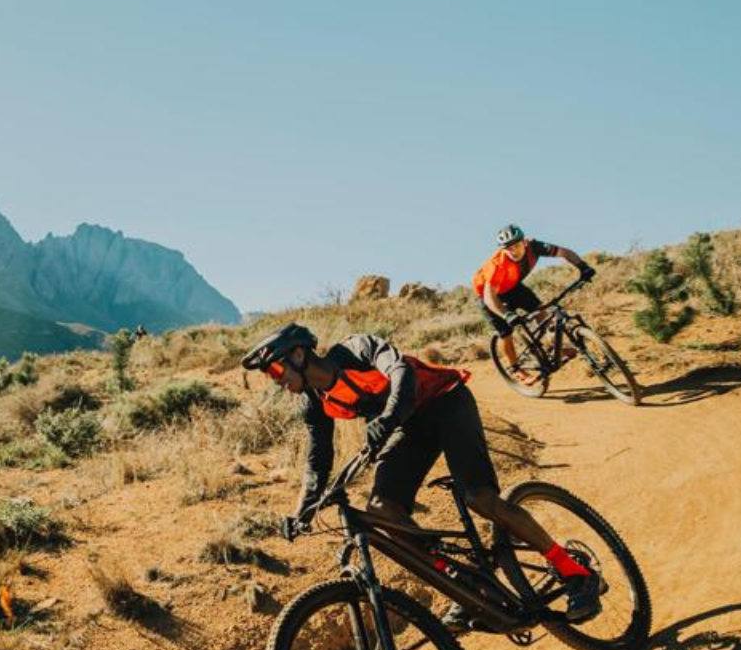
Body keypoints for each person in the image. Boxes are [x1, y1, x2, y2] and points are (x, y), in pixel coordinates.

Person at [241, 324, 599, 622]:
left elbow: (401, 371)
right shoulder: (314, 404)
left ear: (299, 355)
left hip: (446, 402)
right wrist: (302, 509)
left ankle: (574, 572)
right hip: (408, 426)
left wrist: (388, 418)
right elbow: (318, 459)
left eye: (275, 370)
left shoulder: (355, 349)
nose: (277, 381)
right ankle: (466, 584)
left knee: (480, 498)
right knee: (382, 509)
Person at [474, 225, 595, 384]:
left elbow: (564, 252)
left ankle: (554, 348)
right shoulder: (497, 265)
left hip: (513, 287)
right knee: (506, 332)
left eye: (516, 245)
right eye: (508, 248)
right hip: (489, 297)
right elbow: (490, 297)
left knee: (541, 311)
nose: (513, 250)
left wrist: (582, 266)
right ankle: (515, 369)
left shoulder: (535, 247)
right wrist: (506, 314)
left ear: (524, 242)